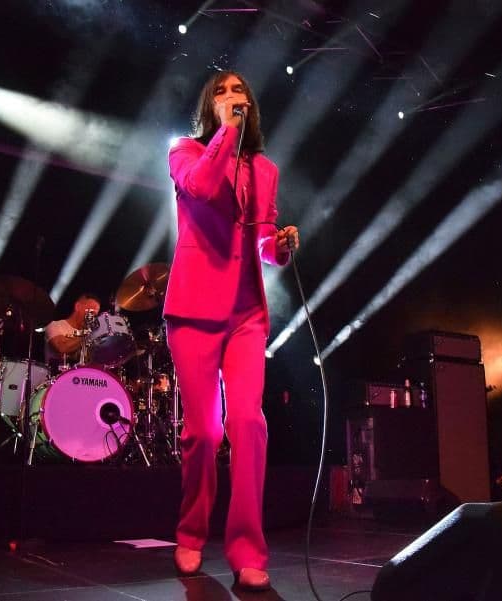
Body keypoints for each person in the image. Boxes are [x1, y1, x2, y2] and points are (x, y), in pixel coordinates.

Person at [163, 69, 299, 591]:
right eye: (220, 91)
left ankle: (246, 549)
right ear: (209, 107)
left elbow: (262, 239)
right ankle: (191, 532)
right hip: (193, 310)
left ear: (251, 105)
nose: (230, 96)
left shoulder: (265, 170)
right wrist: (224, 132)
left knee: (248, 423)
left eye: (238, 90)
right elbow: (200, 188)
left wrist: (279, 247)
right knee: (204, 432)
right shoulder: (185, 152)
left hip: (245, 315)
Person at [43, 293, 100, 370]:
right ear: (77, 306)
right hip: (58, 375)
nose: (92, 317)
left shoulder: (91, 335)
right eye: (90, 312)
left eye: (95, 315)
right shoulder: (55, 325)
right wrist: (87, 334)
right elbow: (62, 348)